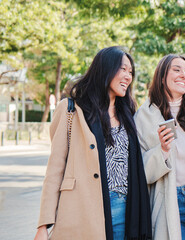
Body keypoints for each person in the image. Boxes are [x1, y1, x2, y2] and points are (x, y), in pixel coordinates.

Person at [34, 46, 151, 240]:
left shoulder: (128, 113)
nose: (128, 76)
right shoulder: (71, 109)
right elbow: (55, 169)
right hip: (84, 209)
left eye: (131, 72)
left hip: (126, 210)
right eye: (123, 69)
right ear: (105, 68)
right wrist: (43, 225)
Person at [134, 54, 185, 239]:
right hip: (166, 202)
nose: (184, 75)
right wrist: (162, 150)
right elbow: (139, 171)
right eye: (177, 70)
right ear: (162, 77)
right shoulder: (144, 117)